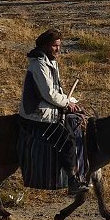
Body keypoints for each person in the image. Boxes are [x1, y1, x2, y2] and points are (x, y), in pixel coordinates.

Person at [19, 29, 88, 193]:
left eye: (59, 46)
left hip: (47, 109)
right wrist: (66, 104)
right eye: (54, 46)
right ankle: (72, 181)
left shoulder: (49, 62)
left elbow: (56, 90)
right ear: (45, 46)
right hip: (37, 114)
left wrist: (70, 102)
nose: (58, 49)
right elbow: (48, 93)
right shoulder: (39, 65)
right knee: (66, 139)